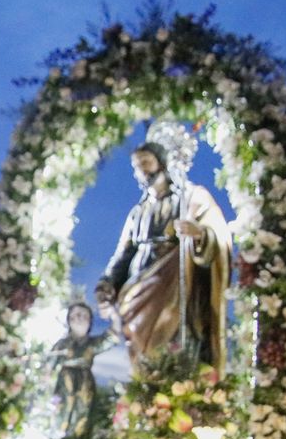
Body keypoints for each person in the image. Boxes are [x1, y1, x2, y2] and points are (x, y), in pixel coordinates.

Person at [94, 122, 230, 376]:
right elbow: (123, 254)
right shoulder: (138, 212)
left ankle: (175, 396)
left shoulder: (190, 198)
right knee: (143, 357)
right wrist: (106, 284)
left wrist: (198, 233)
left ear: (162, 163)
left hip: (174, 285)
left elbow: (218, 234)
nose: (141, 171)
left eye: (146, 163)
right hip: (137, 289)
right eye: (136, 167)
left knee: (170, 343)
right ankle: (148, 399)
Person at [49, 301, 115, 439]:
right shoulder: (62, 344)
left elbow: (112, 337)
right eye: (76, 315)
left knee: (84, 413)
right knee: (62, 412)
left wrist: (114, 315)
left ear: (90, 321)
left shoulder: (92, 343)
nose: (79, 319)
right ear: (69, 319)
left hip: (85, 385)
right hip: (64, 384)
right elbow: (49, 366)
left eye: (84, 315)